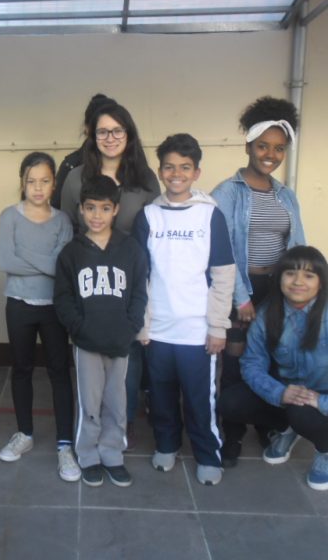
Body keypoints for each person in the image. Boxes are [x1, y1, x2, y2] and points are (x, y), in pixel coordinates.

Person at [133, 133, 235, 486]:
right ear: (160, 170)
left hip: (197, 332)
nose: (176, 174)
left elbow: (223, 275)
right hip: (158, 330)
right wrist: (142, 325)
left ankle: (207, 454)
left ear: (196, 172)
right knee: (160, 395)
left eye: (185, 167)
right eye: (169, 167)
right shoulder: (148, 216)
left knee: (199, 399)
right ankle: (166, 445)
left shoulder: (210, 216)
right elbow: (140, 276)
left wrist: (218, 327)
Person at [60, 100, 160, 450]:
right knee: (90, 366)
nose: (110, 137)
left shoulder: (145, 180)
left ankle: (120, 428)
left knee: (126, 360)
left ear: (129, 134)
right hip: (89, 281)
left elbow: (156, 230)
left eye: (118, 130)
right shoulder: (76, 178)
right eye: (103, 131)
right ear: (92, 135)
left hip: (130, 280)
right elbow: (68, 228)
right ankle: (90, 435)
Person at [212, 96, 306, 467]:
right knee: (235, 364)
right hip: (241, 289)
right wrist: (240, 297)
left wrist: (299, 293)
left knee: (272, 361)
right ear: (248, 146)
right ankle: (232, 434)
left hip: (277, 291)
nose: (271, 154)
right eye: (263, 146)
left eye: (279, 148)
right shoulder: (227, 193)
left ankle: (267, 425)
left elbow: (297, 247)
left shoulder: (286, 196)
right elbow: (220, 252)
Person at [54, 175, 147, 487]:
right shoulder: (72, 253)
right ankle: (88, 455)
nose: (97, 215)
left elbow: (139, 292)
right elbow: (63, 298)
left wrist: (131, 325)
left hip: (121, 340)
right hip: (86, 343)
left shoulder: (130, 249)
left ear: (116, 209)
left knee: (116, 401)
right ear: (81, 209)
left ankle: (112, 454)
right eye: (91, 208)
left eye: (105, 208)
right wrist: (79, 328)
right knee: (90, 403)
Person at [0, 152, 80, 482]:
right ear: (22, 183)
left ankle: (64, 444)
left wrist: (24, 253)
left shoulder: (63, 221)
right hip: (19, 305)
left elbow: (63, 268)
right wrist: (47, 261)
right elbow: (6, 260)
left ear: (54, 183)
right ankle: (25, 433)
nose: (38, 187)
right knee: (22, 369)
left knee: (59, 371)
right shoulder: (9, 216)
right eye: (31, 181)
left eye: (45, 181)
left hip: (54, 308)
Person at [218, 246, 328, 491]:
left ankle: (325, 450)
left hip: (322, 398)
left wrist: (320, 401)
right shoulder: (267, 314)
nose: (298, 282)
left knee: (303, 413)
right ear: (279, 278)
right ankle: (286, 429)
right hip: (290, 392)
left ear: (321, 282)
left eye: (309, 276)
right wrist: (279, 393)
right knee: (230, 403)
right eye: (290, 273)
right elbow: (252, 364)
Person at [50, 93, 115, 209]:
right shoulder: (71, 166)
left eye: (115, 129)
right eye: (101, 129)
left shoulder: (135, 165)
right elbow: (57, 210)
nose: (109, 137)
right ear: (87, 129)